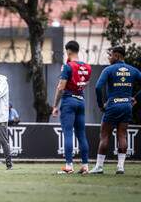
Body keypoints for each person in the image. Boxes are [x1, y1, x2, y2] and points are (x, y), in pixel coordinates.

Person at [90, 47, 141, 174]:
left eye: (110, 55)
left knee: (104, 135)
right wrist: (135, 98)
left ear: (117, 56)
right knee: (122, 135)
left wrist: (101, 105)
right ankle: (120, 167)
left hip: (113, 105)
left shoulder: (108, 70)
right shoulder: (133, 70)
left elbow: (97, 87)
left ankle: (99, 167)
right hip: (126, 106)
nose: (109, 58)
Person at [52, 41, 92, 174]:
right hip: (81, 101)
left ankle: (69, 166)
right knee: (81, 134)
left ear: (68, 51)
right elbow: (86, 83)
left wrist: (55, 105)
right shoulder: (87, 67)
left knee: (68, 133)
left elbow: (61, 87)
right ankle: (85, 166)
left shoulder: (68, 66)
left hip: (69, 101)